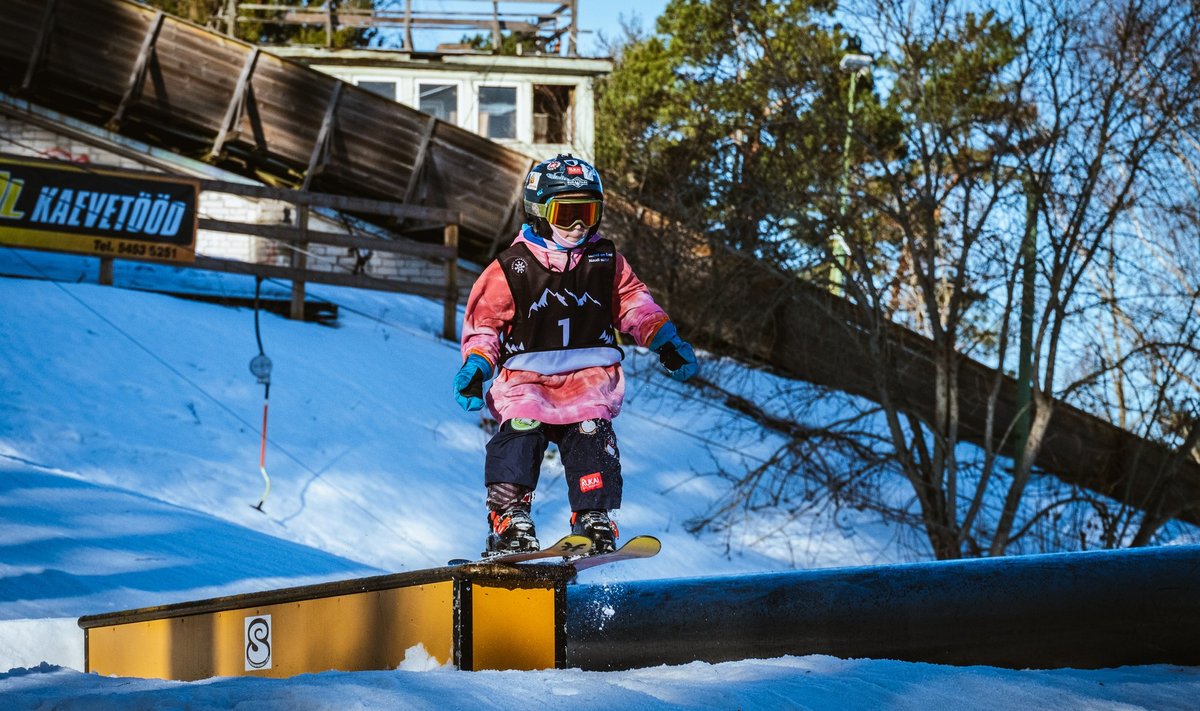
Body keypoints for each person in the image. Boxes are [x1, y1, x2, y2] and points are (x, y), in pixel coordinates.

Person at [453, 154, 699, 556]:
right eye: (566, 214)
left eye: (587, 213)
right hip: (527, 380)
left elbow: (632, 302)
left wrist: (663, 339)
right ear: (539, 212)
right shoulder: (512, 267)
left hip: (586, 378)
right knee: (521, 433)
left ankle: (593, 513)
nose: (579, 225)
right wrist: (478, 364)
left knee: (591, 436)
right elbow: (486, 322)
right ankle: (508, 515)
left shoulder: (605, 262)